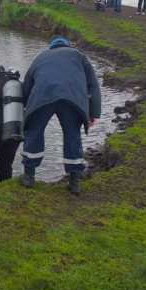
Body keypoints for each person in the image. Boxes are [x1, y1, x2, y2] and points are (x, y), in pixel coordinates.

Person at [19, 36, 101, 195]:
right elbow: (93, 85)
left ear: (51, 47)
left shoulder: (41, 57)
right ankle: (74, 182)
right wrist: (94, 113)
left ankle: (29, 176)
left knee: (34, 132)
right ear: (67, 46)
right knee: (72, 136)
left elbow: (27, 84)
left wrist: (25, 107)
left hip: (42, 97)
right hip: (73, 100)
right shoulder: (79, 56)